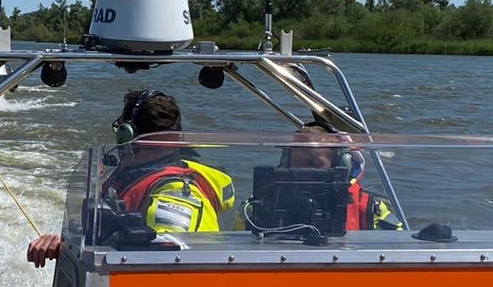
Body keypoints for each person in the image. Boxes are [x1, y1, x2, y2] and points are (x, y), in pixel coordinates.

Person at [26, 90, 234, 267]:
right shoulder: (135, 172)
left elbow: (169, 255)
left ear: (127, 134)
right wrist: (67, 244)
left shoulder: (178, 191)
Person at [282, 124, 403, 231]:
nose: (305, 170)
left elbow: (399, 243)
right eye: (297, 161)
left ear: (340, 163)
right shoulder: (270, 197)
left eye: (315, 164)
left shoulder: (368, 207)